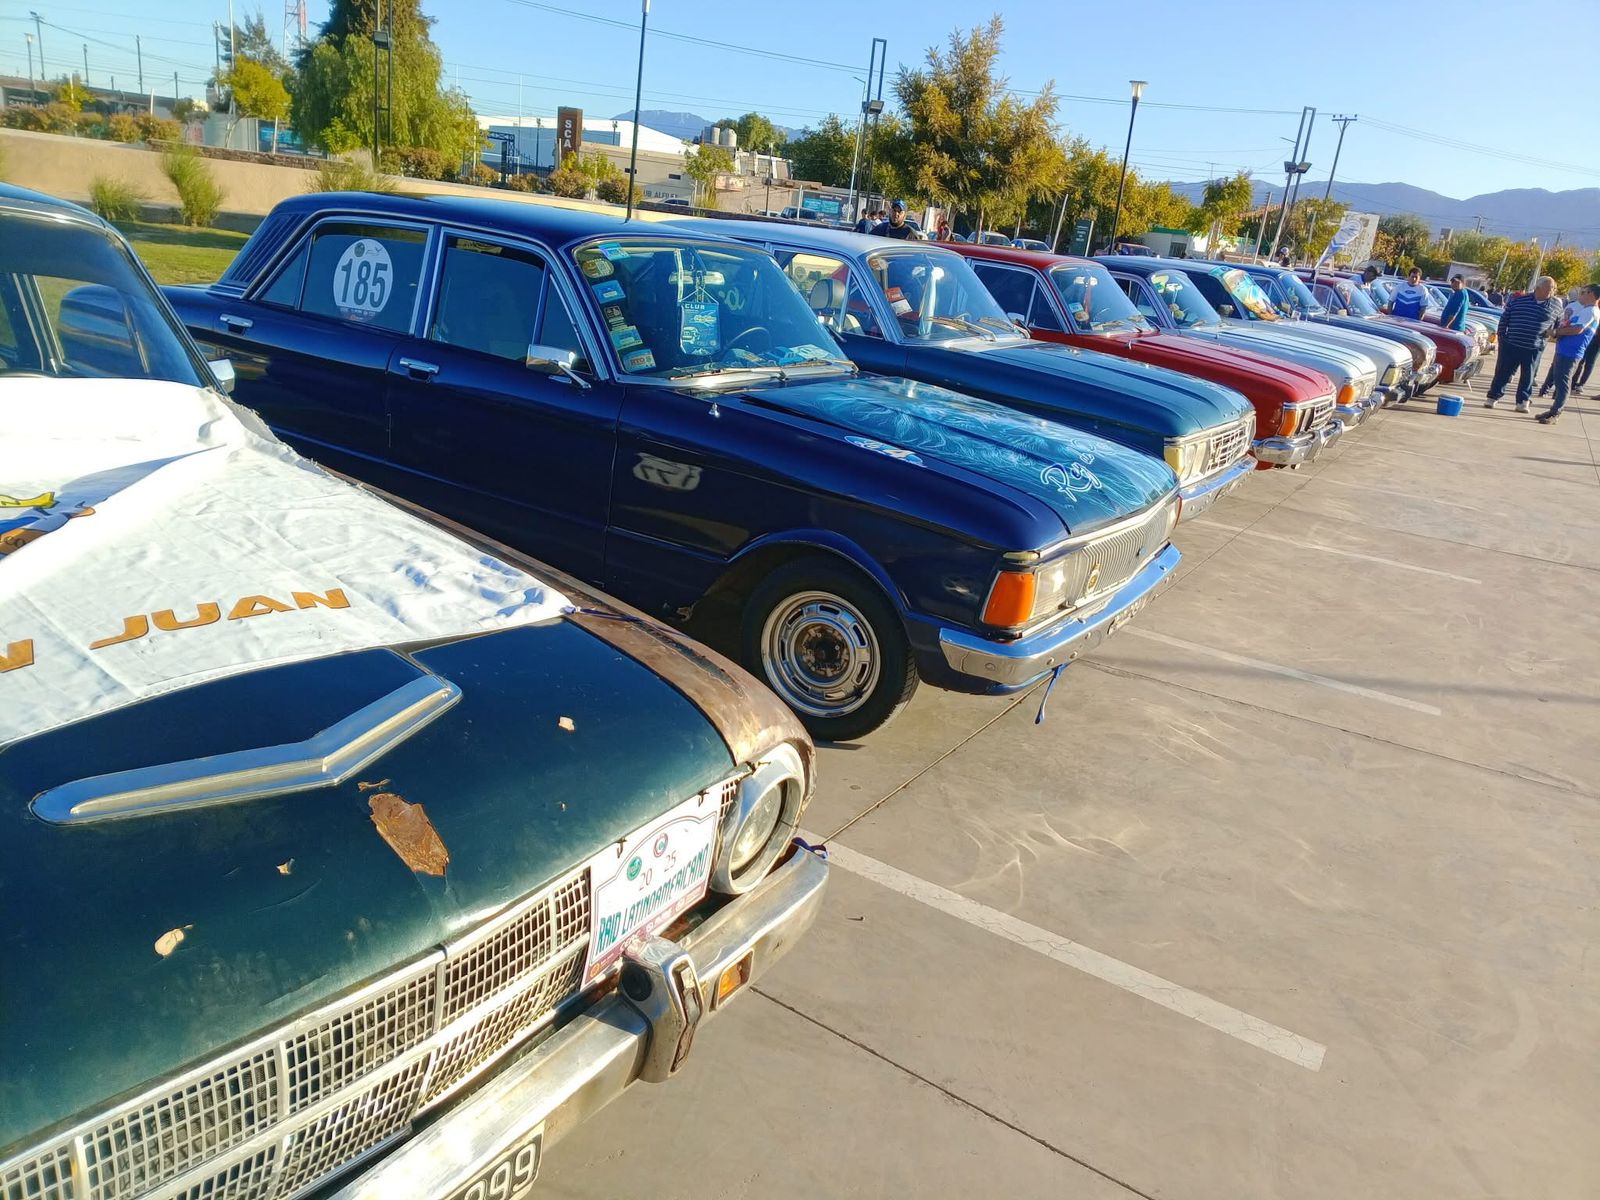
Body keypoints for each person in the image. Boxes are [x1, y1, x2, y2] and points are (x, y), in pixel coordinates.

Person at [1484, 275, 1564, 412]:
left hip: (1534, 347)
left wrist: (1553, 333)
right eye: (1550, 288)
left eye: (1553, 288)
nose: (1552, 291)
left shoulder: (1556, 304)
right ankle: (1493, 397)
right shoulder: (1519, 300)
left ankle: (1522, 401)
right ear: (1538, 288)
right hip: (1511, 345)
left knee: (1528, 377)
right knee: (1502, 373)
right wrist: (1502, 338)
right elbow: (1505, 318)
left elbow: (1558, 325)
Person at [1534, 283, 1599, 423]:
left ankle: (1556, 413)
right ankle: (1553, 410)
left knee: (1563, 384)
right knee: (1559, 381)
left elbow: (1577, 330)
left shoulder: (1591, 311)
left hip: (1571, 352)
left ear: (1591, 295)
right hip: (1565, 350)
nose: (1580, 295)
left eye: (1583, 292)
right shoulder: (1586, 310)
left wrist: (1556, 332)